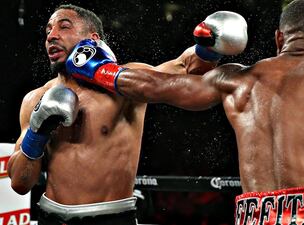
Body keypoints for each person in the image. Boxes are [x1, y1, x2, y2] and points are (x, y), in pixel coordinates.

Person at [68, 0, 304, 224]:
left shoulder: (238, 78)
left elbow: (160, 87)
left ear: (279, 38)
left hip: (254, 215)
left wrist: (97, 69)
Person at [7, 4, 248, 225]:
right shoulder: (35, 99)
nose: (51, 36)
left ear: (93, 39)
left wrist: (207, 46)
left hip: (111, 217)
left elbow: (185, 69)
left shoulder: (127, 82)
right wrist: (37, 132)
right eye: (48, 30)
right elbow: (19, 183)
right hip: (50, 216)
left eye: (64, 26)